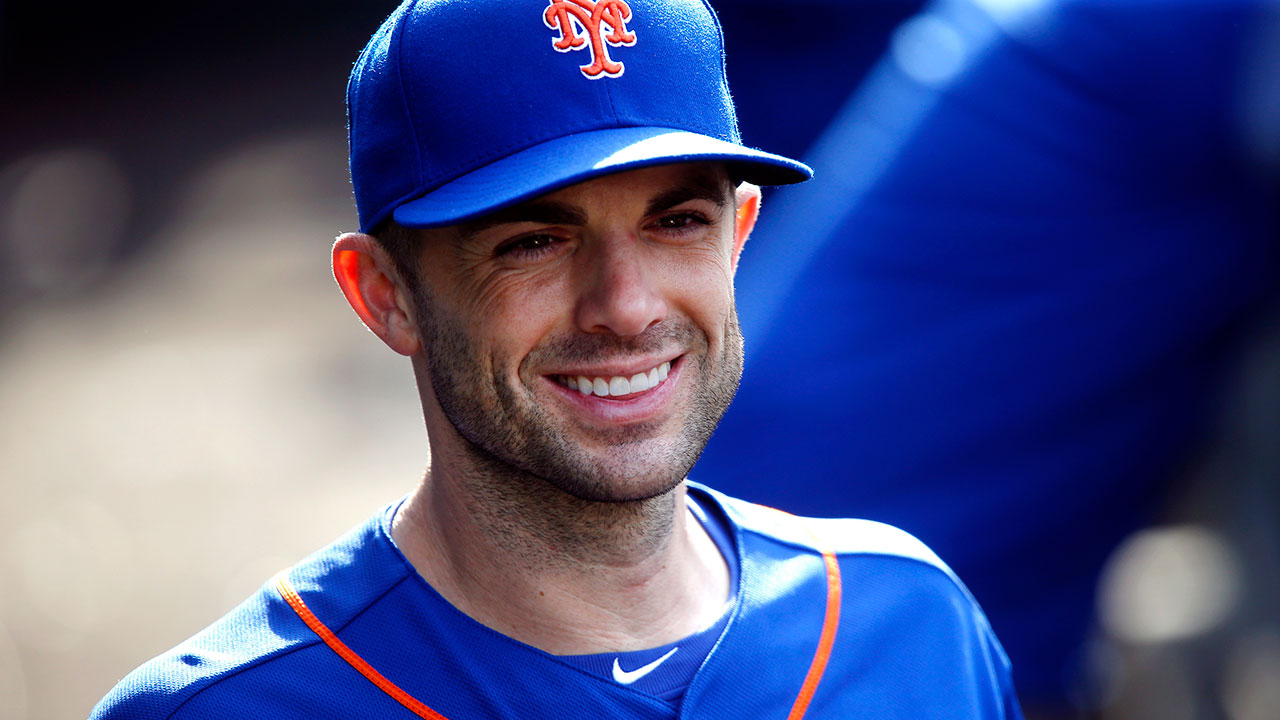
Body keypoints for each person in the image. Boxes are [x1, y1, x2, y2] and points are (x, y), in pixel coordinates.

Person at [90, 1, 1023, 718]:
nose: (626, 305)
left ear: (739, 234)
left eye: (677, 221)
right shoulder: (229, 709)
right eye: (533, 240)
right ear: (386, 294)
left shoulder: (909, 623)